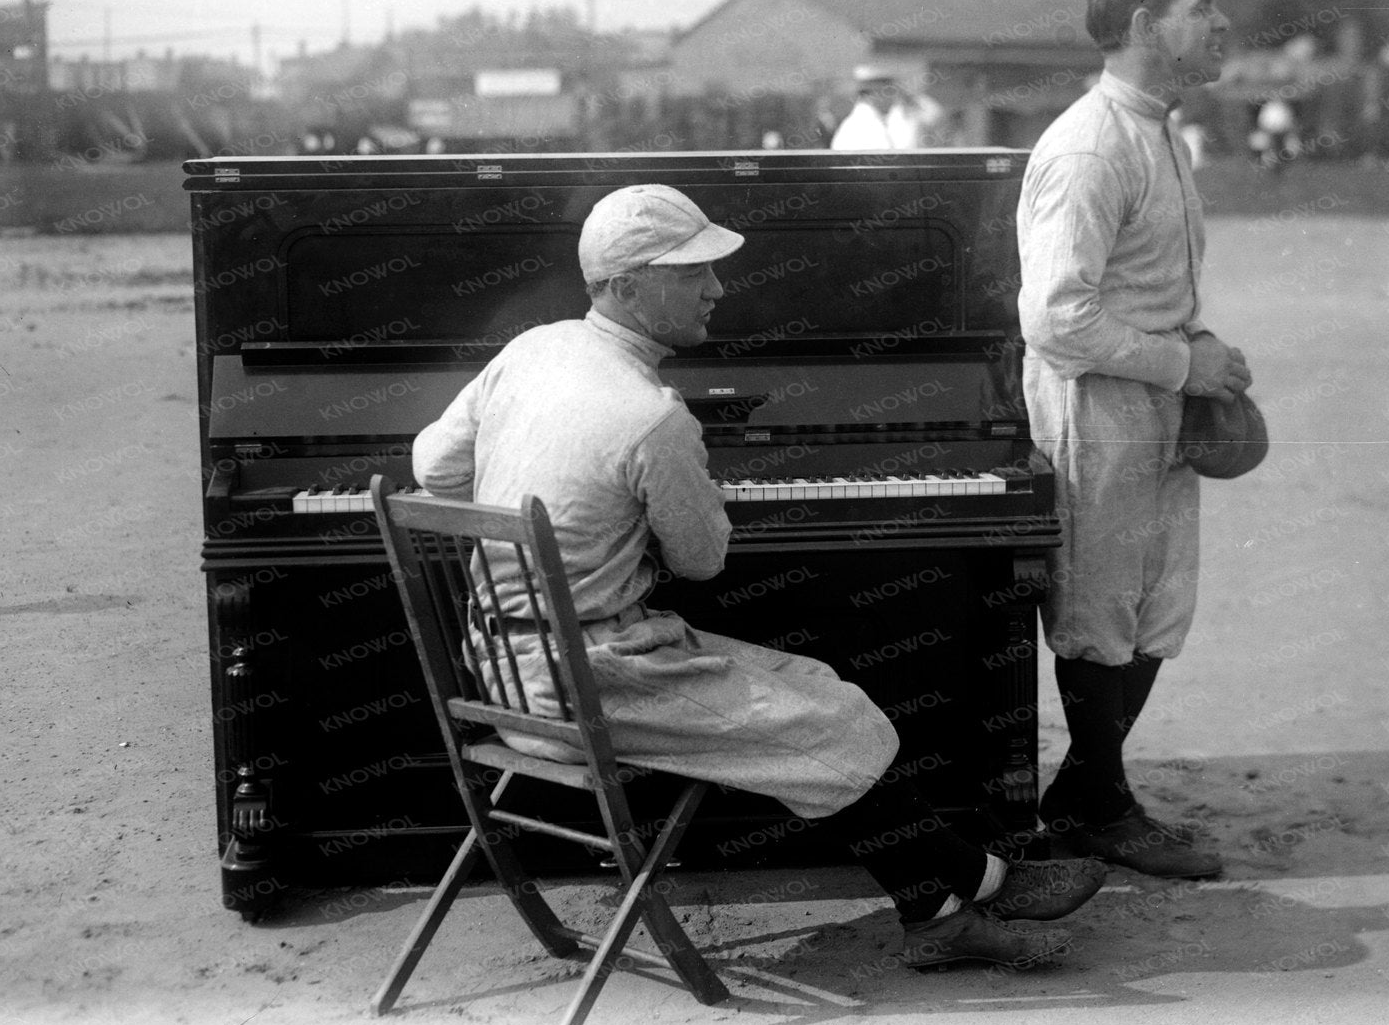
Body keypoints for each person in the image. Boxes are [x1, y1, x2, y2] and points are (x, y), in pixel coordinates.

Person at [413, 183, 1106, 969]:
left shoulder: (532, 349)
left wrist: (547, 498)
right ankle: (975, 887)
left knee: (820, 685)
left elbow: (433, 468)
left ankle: (941, 906)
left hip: (497, 668)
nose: (717, 288)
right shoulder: (648, 414)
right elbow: (702, 561)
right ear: (630, 287)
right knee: (831, 721)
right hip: (588, 681)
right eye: (693, 273)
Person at [1016, 0, 1251, 879]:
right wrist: (1179, 365)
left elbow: (1146, 286)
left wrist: (1197, 353)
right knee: (1098, 616)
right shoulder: (1087, 146)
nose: (1220, 22)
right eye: (1201, 7)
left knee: (1158, 610)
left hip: (1156, 397)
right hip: (1094, 405)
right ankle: (1102, 807)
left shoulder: (1161, 130)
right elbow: (1055, 319)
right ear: (1146, 26)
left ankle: (1083, 793)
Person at [830, 67, 944, 150]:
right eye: (887, 91)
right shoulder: (855, 124)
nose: (893, 96)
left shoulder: (900, 115)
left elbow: (936, 115)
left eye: (893, 90)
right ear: (869, 94)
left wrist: (912, 97)